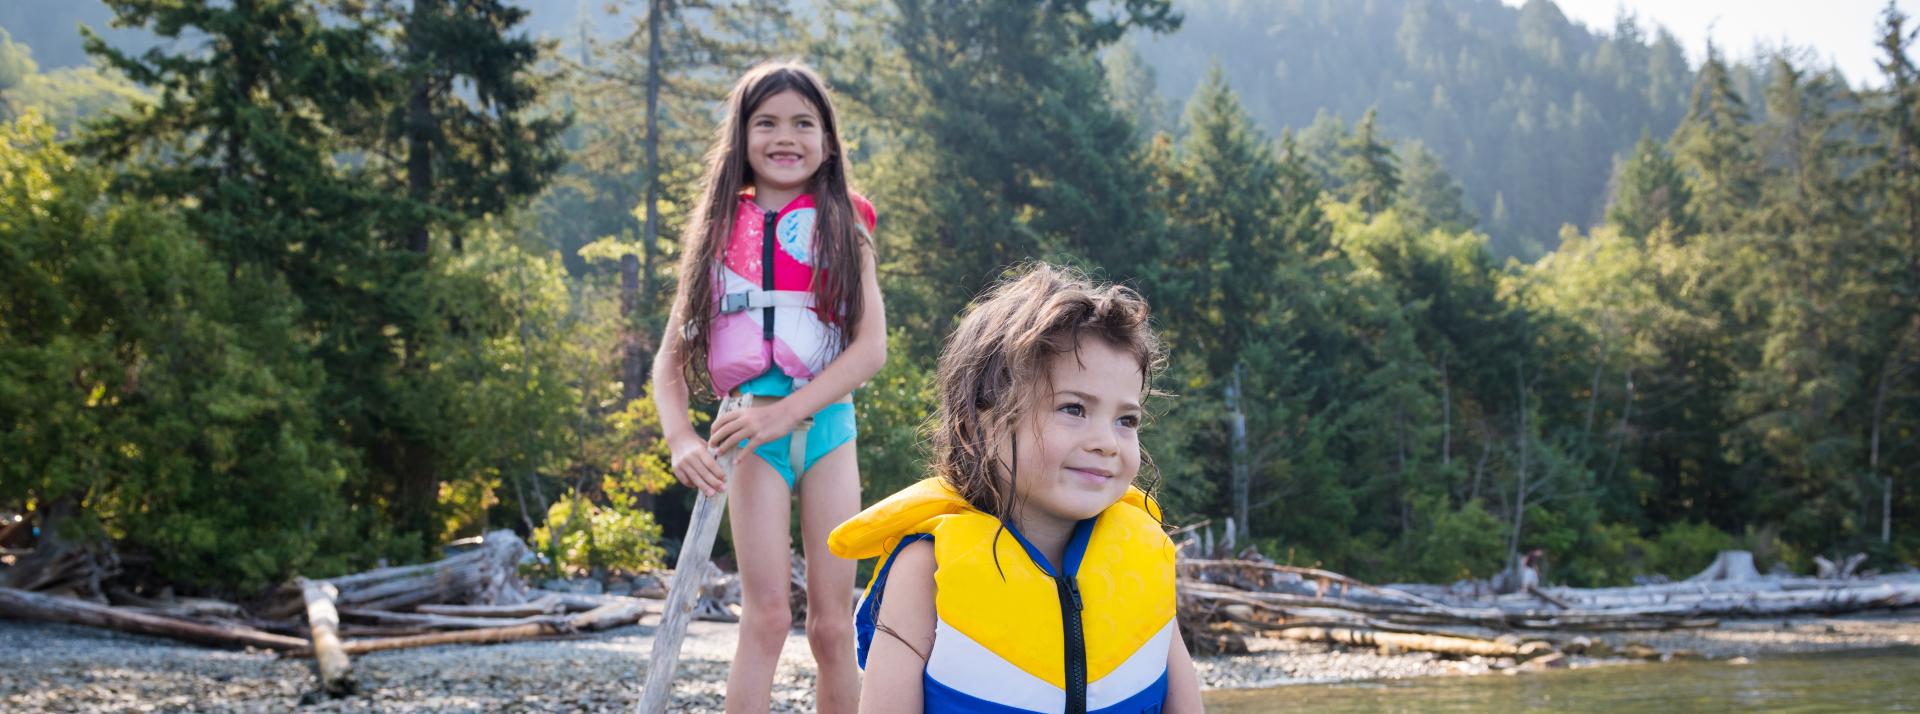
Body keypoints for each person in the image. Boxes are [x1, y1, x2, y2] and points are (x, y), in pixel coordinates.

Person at [829, 264, 1203, 713]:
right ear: (978, 425)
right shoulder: (923, 571)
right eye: (1074, 408)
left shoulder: (1145, 558)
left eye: (1126, 420)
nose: (1107, 442)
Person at [651, 60, 884, 714]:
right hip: (747, 435)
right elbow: (669, 366)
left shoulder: (845, 228)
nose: (786, 137)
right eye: (767, 123)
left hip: (829, 427)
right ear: (742, 137)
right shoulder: (718, 235)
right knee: (767, 618)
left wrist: (791, 413)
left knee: (835, 628)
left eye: (803, 122)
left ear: (828, 140)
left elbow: (871, 349)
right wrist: (679, 439)